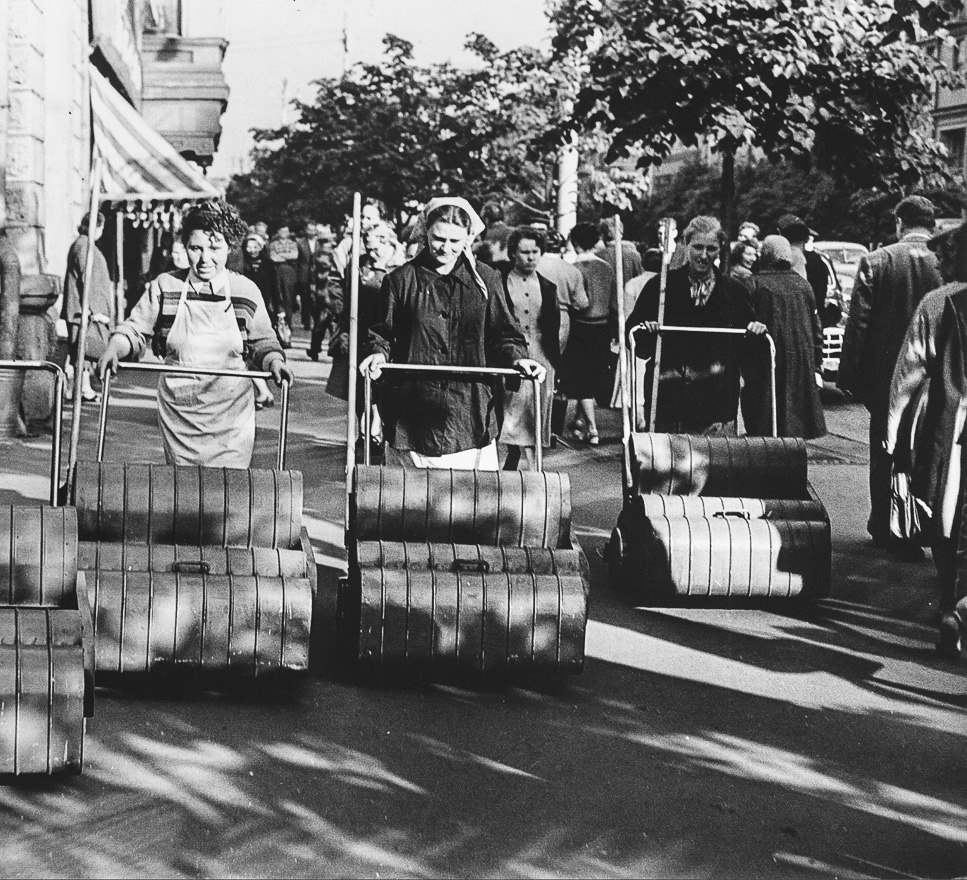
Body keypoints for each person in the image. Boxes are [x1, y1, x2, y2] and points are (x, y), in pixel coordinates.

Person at [98, 201, 293, 468]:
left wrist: (275, 363)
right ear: (185, 246)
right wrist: (113, 349)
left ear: (229, 247)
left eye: (215, 248)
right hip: (180, 414)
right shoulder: (166, 286)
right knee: (184, 494)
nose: (205, 259)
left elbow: (263, 343)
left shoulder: (244, 290)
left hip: (231, 414)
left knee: (226, 493)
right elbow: (134, 329)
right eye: (196, 248)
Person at [359, 197, 544, 470]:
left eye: (455, 241)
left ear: (469, 238)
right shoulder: (400, 280)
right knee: (410, 507)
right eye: (438, 238)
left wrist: (517, 358)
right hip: (413, 417)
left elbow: (505, 333)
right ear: (425, 231)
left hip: (469, 415)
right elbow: (381, 333)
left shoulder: (487, 281)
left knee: (474, 506)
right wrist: (377, 354)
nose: (445, 248)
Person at [838, 195, 942, 554]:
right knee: (931, 450)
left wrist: (849, 375)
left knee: (886, 450)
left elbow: (859, 325)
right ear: (932, 225)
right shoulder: (949, 261)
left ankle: (887, 522)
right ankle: (926, 525)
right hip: (938, 376)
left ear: (900, 223)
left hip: (886, 377)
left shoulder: (877, 261)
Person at [887, 222, 967, 652]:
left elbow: (908, 372)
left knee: (946, 510)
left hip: (949, 422)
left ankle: (950, 599)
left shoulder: (938, 303)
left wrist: (892, 432)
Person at [626, 215, 766, 435]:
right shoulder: (661, 286)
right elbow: (633, 338)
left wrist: (755, 332)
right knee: (670, 468)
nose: (703, 255)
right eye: (697, 247)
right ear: (686, 245)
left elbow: (749, 352)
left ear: (720, 249)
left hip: (716, 406)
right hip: (670, 400)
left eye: (711, 248)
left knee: (716, 467)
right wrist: (647, 329)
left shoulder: (734, 291)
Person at [740, 235, 826, 439]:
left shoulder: (755, 284)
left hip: (766, 363)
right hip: (800, 362)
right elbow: (816, 328)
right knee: (795, 427)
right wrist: (817, 364)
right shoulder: (803, 285)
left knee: (765, 424)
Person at [327, 220, 405, 440]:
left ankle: (380, 429)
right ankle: (364, 432)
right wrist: (340, 321)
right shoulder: (359, 264)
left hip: (388, 333)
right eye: (367, 248)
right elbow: (341, 291)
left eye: (374, 248)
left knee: (385, 385)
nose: (370, 253)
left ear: (385, 241)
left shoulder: (400, 266)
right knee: (358, 383)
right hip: (359, 330)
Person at [499, 227, 563, 470]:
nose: (530, 257)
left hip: (540, 353)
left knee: (537, 408)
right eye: (524, 252)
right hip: (511, 351)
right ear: (513, 253)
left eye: (535, 252)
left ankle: (534, 467)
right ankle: (512, 453)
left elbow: (553, 327)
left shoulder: (548, 287)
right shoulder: (500, 280)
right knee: (511, 407)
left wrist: (556, 364)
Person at [558, 222, 617, 446]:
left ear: (575, 242)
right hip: (602, 327)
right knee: (590, 378)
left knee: (580, 380)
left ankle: (592, 428)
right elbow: (612, 301)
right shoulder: (607, 267)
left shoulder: (575, 268)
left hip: (581, 327)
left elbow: (580, 303)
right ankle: (578, 424)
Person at [64, 211, 113, 403]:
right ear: (96, 227)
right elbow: (88, 279)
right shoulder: (84, 245)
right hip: (82, 310)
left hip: (81, 309)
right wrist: (96, 311)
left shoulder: (83, 244)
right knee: (81, 349)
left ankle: (82, 387)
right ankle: (77, 388)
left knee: (81, 351)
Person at [238, 230, 281, 409]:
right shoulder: (241, 265)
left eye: (255, 246)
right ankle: (263, 391)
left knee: (254, 353)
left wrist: (280, 311)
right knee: (246, 355)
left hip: (265, 312)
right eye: (249, 245)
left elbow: (275, 288)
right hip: (245, 312)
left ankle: (264, 391)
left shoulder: (268, 265)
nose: (252, 249)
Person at [777, 214, 840, 328]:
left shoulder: (776, 261)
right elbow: (820, 297)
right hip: (813, 323)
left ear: (780, 234)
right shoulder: (818, 261)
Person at [267, 225, 300, 348]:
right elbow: (272, 257)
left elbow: (295, 255)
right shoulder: (273, 244)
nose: (284, 233)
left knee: (288, 300)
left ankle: (288, 330)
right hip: (277, 272)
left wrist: (281, 256)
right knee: (278, 299)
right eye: (282, 231)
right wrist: (285, 256)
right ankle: (280, 333)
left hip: (289, 273)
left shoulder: (292, 243)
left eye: (286, 231)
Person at [597, 218, 643, 285]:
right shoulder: (634, 255)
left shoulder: (598, 256)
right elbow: (640, 280)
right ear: (621, 233)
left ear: (603, 235)